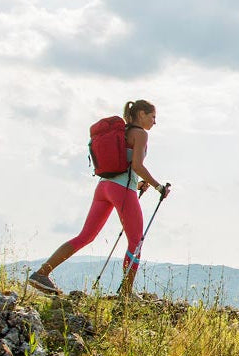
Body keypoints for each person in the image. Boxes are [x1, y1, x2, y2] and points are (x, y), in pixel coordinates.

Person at [29, 99, 171, 297]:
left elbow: (124, 165)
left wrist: (137, 183)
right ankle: (127, 295)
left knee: (85, 236)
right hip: (121, 191)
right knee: (136, 241)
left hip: (104, 187)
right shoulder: (140, 134)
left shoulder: (123, 133)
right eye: (153, 116)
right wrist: (158, 186)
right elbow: (137, 166)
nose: (154, 122)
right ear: (141, 114)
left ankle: (41, 273)